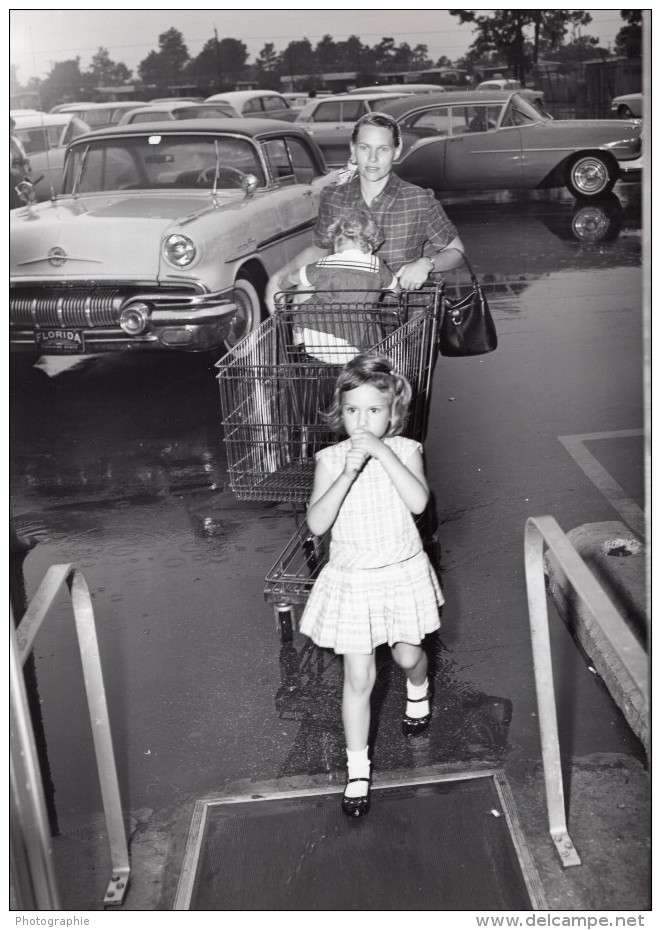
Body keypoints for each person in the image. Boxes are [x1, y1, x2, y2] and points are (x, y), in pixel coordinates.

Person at [299, 354, 443, 817]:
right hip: (354, 581)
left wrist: (380, 453)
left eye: (373, 411)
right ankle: (357, 769)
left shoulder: (405, 450)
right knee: (359, 678)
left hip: (399, 572)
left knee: (406, 656)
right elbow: (317, 523)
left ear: (392, 414)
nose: (362, 421)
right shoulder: (331, 458)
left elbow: (420, 501)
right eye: (352, 411)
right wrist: (347, 471)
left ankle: (418, 689)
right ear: (339, 415)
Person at [266, 110, 464, 312]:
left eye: (383, 149)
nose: (372, 158)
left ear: (397, 150)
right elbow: (319, 249)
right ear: (353, 149)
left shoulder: (419, 200)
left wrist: (426, 263)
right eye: (364, 148)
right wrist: (279, 278)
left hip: (407, 319)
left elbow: (456, 253)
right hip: (347, 319)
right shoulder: (334, 198)